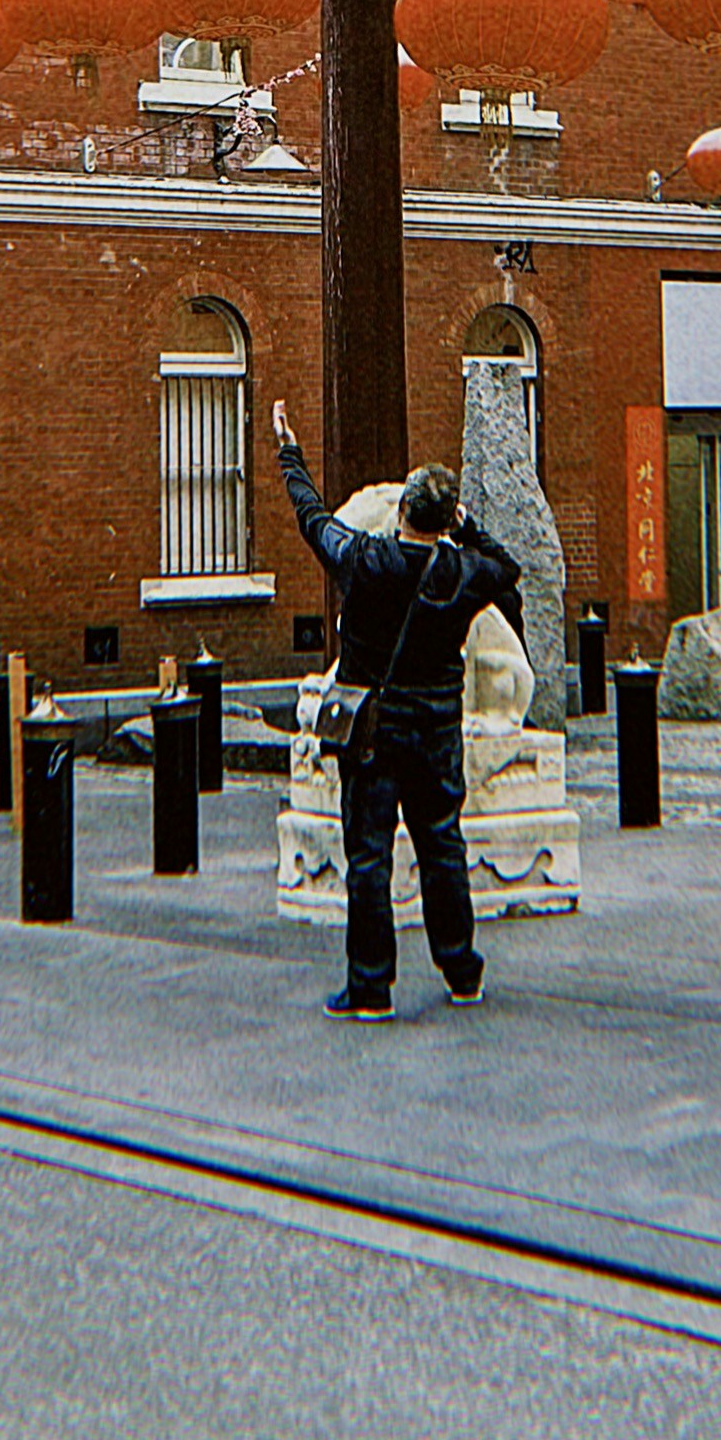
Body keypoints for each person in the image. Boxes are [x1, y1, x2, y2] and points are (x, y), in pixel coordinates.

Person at [273, 396, 521, 1021]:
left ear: (402, 510)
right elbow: (507, 565)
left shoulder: (364, 558)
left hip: (373, 729)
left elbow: (312, 517)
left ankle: (370, 986)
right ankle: (461, 969)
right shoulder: (464, 572)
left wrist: (289, 454)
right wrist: (465, 526)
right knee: (443, 845)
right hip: (437, 727)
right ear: (445, 518)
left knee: (369, 857)